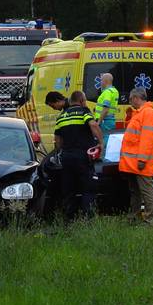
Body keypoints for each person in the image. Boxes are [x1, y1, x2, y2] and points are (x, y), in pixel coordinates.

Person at [54, 91, 103, 220]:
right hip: (83, 156)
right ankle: (88, 218)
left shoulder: (61, 116)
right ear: (81, 100)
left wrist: (61, 151)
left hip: (67, 158)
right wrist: (101, 144)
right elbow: (93, 124)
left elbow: (58, 140)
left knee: (69, 190)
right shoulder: (84, 112)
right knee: (88, 188)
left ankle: (69, 219)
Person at [120, 87, 153, 225]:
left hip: (139, 161)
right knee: (135, 191)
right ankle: (134, 217)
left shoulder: (147, 113)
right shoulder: (139, 113)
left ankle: (148, 221)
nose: (129, 102)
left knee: (145, 191)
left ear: (136, 98)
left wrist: (142, 159)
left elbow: (147, 138)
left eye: (130, 99)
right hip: (133, 162)